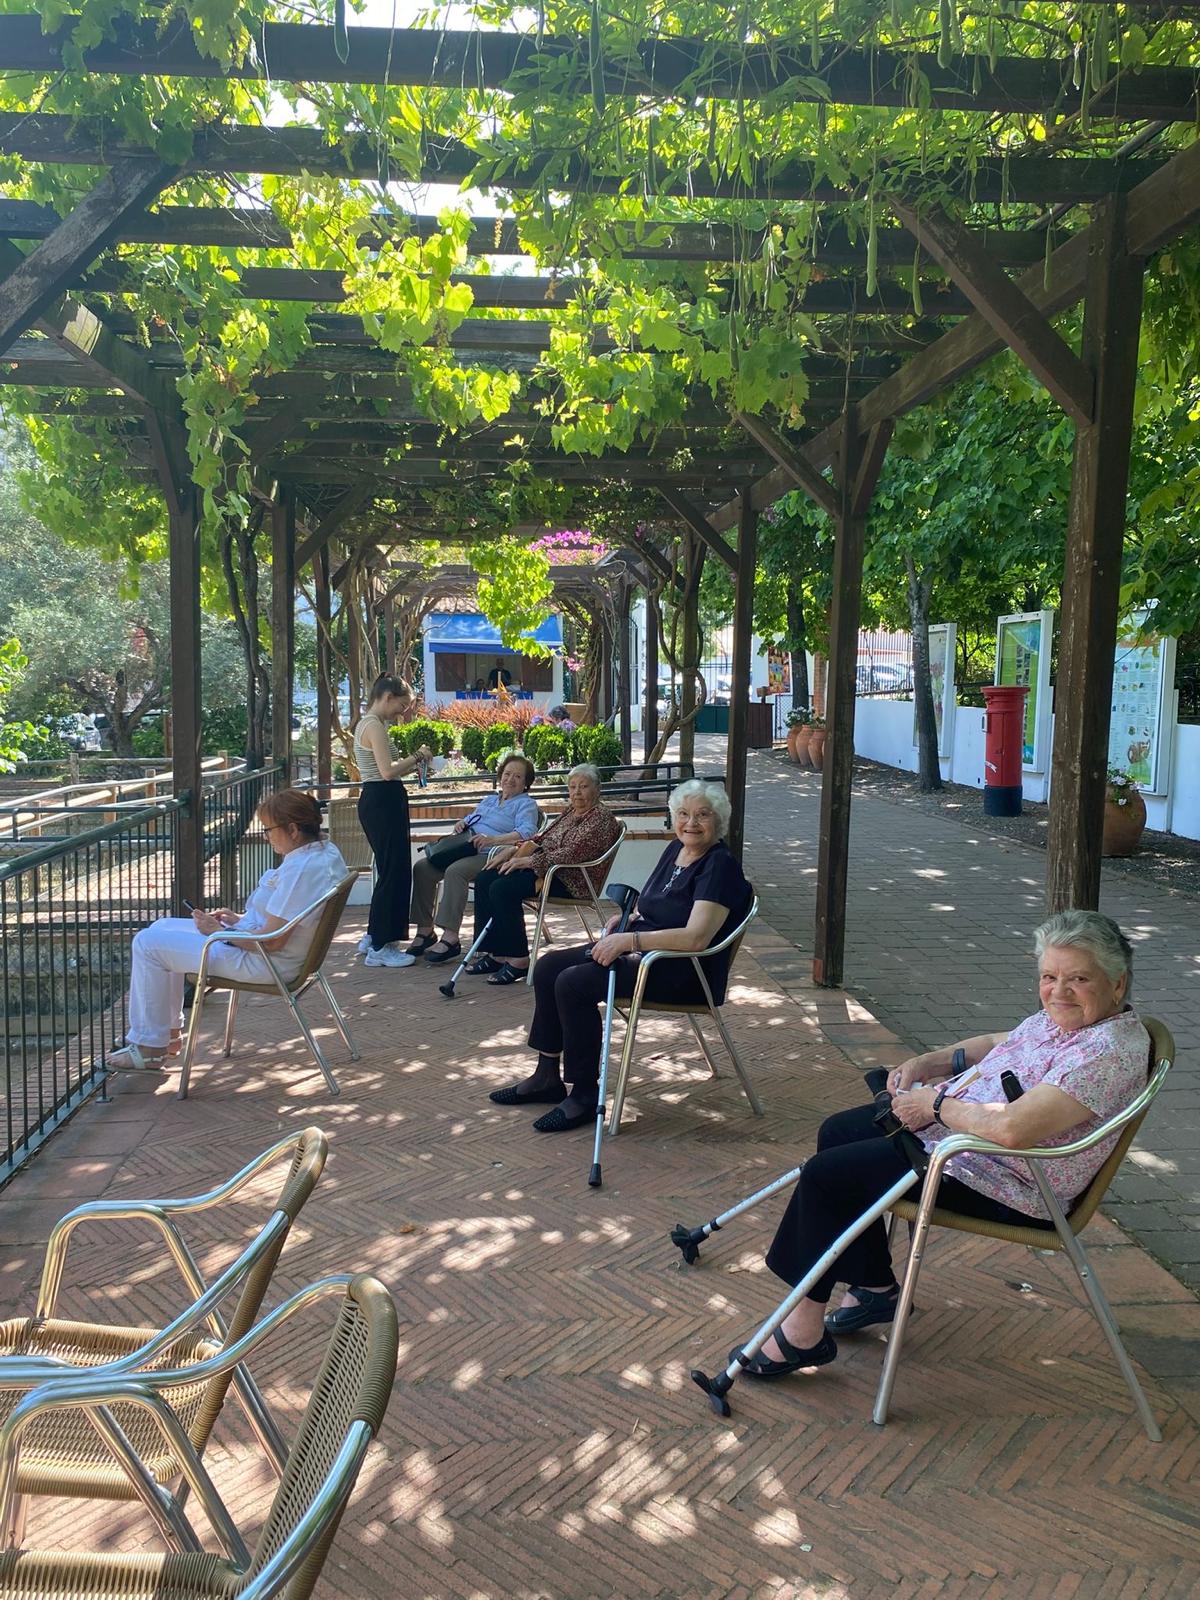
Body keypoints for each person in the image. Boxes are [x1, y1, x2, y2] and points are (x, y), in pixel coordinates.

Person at [733, 910, 1150, 1382]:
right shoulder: (1066, 1022)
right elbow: (1001, 1041)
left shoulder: (1108, 1053)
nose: (1058, 991)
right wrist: (931, 1062)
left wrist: (934, 1107)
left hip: (1006, 1180)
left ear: (1118, 985)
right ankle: (874, 1287)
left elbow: (1014, 1129)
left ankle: (802, 1332)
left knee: (828, 1178)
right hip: (962, 1145)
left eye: (1078, 978)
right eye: (1049, 976)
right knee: (839, 1132)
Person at [490, 778, 752, 1130]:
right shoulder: (676, 850)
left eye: (702, 815)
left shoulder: (719, 866)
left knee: (574, 983)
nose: (691, 823)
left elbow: (695, 938)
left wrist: (628, 942)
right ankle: (546, 1075)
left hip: (679, 970)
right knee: (550, 965)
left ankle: (584, 1094)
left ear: (718, 821)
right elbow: (656, 903)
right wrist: (631, 919)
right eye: (684, 814)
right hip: (645, 953)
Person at [110, 790, 347, 1072]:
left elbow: (271, 942)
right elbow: (279, 922)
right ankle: (167, 1035)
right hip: (266, 948)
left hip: (265, 962)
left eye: (269, 830)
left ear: (293, 829)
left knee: (148, 944)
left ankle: (151, 1047)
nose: (266, 836)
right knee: (161, 928)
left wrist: (217, 931)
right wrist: (238, 920)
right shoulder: (323, 852)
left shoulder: (302, 870)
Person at [466, 763, 621, 985]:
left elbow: (571, 854)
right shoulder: (571, 810)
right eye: (572, 787)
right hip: (548, 869)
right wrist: (514, 849)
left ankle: (519, 959)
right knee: (486, 878)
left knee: (503, 888)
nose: (576, 792)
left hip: (571, 878)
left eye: (583, 787)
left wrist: (529, 860)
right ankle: (496, 953)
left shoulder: (601, 818)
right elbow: (543, 837)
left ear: (597, 789)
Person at [409, 753, 540, 963]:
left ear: (526, 783)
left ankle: (450, 936)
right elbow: (470, 821)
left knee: (455, 871)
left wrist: (494, 839)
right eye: (507, 774)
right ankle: (425, 930)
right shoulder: (489, 800)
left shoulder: (526, 805)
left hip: (494, 854)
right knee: (423, 867)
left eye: (517, 776)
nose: (510, 780)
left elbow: (526, 833)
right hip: (466, 848)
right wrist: (461, 824)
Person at [353, 674, 433, 969]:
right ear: (387, 697)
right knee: (395, 872)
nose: (402, 712)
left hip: (381, 800)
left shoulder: (370, 723)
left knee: (389, 870)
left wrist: (413, 765)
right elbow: (386, 772)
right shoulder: (374, 725)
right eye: (401, 704)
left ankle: (375, 935)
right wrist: (418, 755)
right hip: (383, 801)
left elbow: (385, 770)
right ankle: (382, 945)